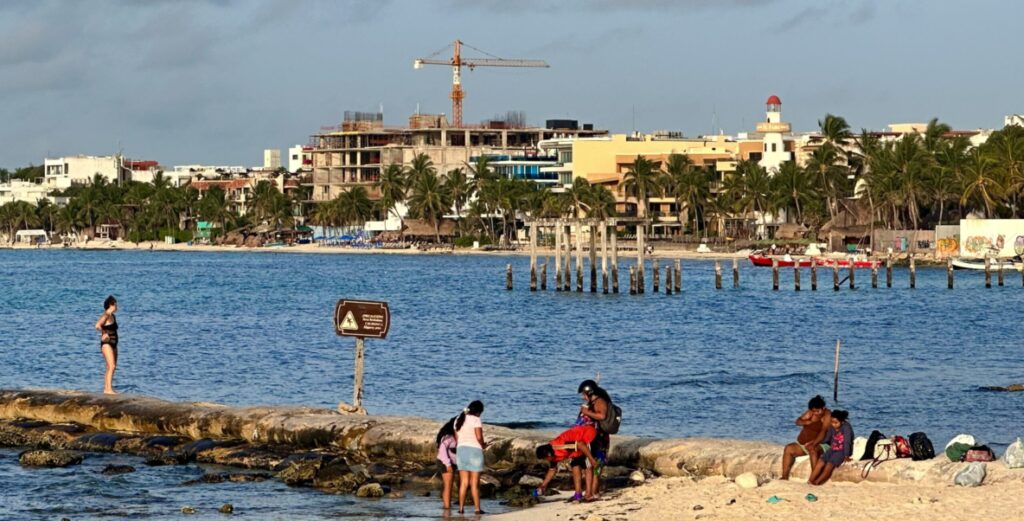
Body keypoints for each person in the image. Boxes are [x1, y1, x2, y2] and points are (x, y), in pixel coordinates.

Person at [534, 423, 598, 502]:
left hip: (587, 436)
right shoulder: (552, 456)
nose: (547, 460)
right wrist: (543, 485)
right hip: (577, 445)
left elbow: (581, 444)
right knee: (575, 464)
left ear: (548, 454)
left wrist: (591, 459)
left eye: (546, 458)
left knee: (587, 465)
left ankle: (589, 494)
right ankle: (578, 494)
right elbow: (552, 470)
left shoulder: (562, 446)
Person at [780, 395, 831, 480]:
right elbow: (798, 421)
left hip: (822, 444)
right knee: (788, 448)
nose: (816, 413)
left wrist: (814, 443)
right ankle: (784, 476)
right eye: (814, 411)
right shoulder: (810, 413)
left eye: (818, 411)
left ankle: (815, 477)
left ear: (823, 408)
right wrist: (807, 422)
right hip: (805, 445)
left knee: (813, 449)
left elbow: (824, 432)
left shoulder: (827, 415)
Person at [576, 379, 611, 500]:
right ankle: (593, 491)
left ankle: (592, 492)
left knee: (594, 464)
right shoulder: (595, 401)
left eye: (583, 394)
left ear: (589, 392)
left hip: (597, 438)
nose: (582, 397)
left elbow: (602, 416)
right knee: (595, 464)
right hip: (595, 437)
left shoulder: (600, 401)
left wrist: (586, 412)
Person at [455, 400, 486, 515]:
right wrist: (483, 445)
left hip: (461, 450)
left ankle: (461, 508)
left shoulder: (459, 419)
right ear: (478, 411)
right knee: (474, 483)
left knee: (464, 482)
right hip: (474, 451)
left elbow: (457, 438)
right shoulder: (476, 420)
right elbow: (479, 437)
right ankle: (477, 509)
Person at [808, 410, 854, 485]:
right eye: (832, 422)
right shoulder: (832, 427)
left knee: (829, 464)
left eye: (836, 423)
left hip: (842, 451)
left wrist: (846, 455)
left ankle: (817, 482)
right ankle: (810, 480)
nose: (833, 424)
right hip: (833, 449)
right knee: (821, 461)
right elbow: (827, 438)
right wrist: (815, 442)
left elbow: (847, 442)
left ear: (842, 422)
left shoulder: (846, 427)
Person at [93, 295, 119, 395]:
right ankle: (108, 390)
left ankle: (108, 388)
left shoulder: (113, 316)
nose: (117, 306)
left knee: (112, 366)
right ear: (111, 305)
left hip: (114, 343)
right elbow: (97, 325)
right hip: (107, 343)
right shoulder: (107, 314)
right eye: (115, 304)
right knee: (111, 366)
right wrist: (104, 333)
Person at [435, 416, 458, 511]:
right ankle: (447, 508)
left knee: (449, 485)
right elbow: (442, 452)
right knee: (448, 485)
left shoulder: (455, 436)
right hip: (445, 462)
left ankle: (447, 506)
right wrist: (448, 464)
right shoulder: (448, 438)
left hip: (451, 463)